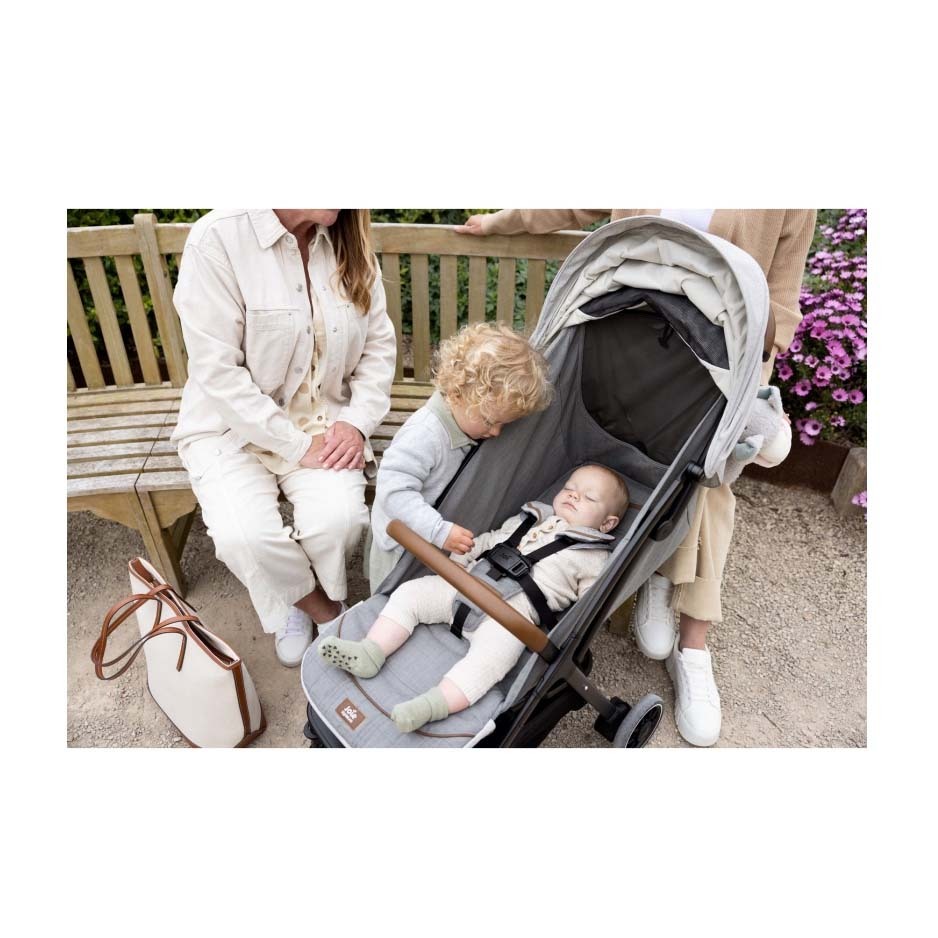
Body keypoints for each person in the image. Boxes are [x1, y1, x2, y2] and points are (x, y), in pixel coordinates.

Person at [456, 209, 816, 746]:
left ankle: (692, 644)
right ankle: (654, 570)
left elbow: (782, 292)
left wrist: (753, 362)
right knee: (671, 473)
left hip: (721, 354)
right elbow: (575, 202)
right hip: (628, 333)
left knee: (708, 484)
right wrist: (500, 221)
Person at [171, 209, 396, 667]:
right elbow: (217, 372)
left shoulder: (349, 242)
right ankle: (319, 609)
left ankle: (298, 590)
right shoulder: (217, 239)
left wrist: (356, 422)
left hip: (322, 418)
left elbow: (378, 349)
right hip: (229, 425)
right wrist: (295, 446)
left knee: (339, 521)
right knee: (243, 536)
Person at [321, 464, 629, 732]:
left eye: (588, 497)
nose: (574, 496)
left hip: (511, 620)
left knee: (490, 662)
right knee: (411, 593)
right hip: (464, 586)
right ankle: (371, 651)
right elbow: (490, 540)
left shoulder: (592, 557)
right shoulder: (529, 517)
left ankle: (431, 706)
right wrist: (459, 563)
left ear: (607, 524)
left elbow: (591, 603)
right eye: (569, 488)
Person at [367, 321, 553, 592]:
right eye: (489, 421)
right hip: (402, 545)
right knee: (391, 596)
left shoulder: (468, 419)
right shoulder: (425, 434)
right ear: (456, 394)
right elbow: (393, 493)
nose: (496, 432)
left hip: (436, 537)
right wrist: (438, 531)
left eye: (504, 424)